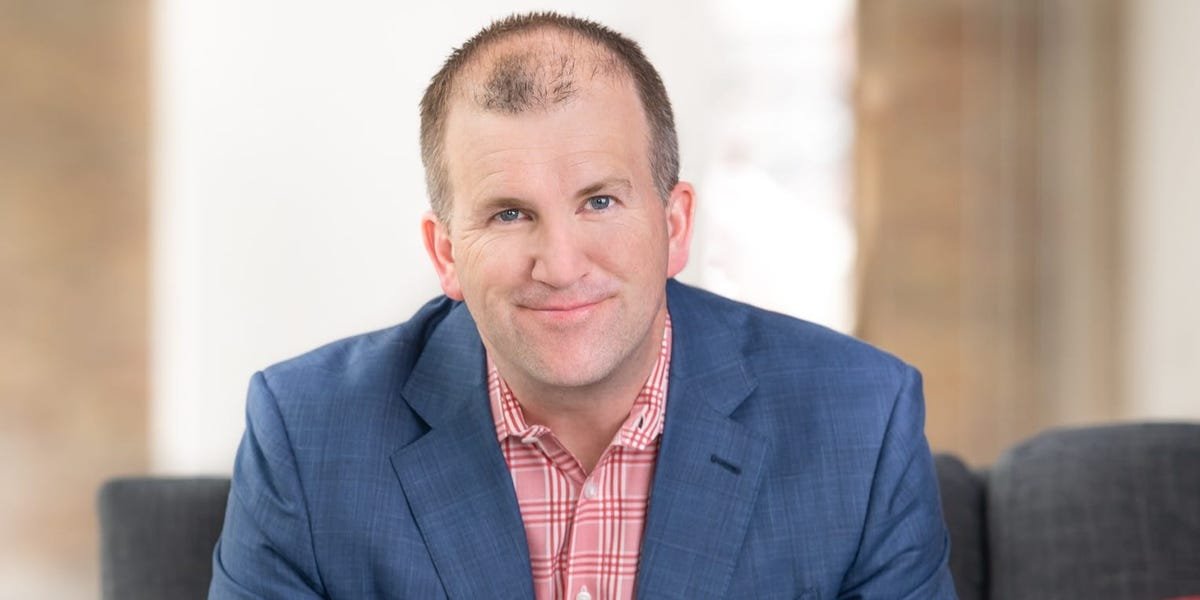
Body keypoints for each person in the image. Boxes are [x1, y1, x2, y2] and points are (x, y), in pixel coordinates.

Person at [209, 11, 956, 600]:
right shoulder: (308, 435)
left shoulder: (860, 421)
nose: (560, 266)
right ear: (446, 254)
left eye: (599, 201)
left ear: (674, 226)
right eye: (509, 214)